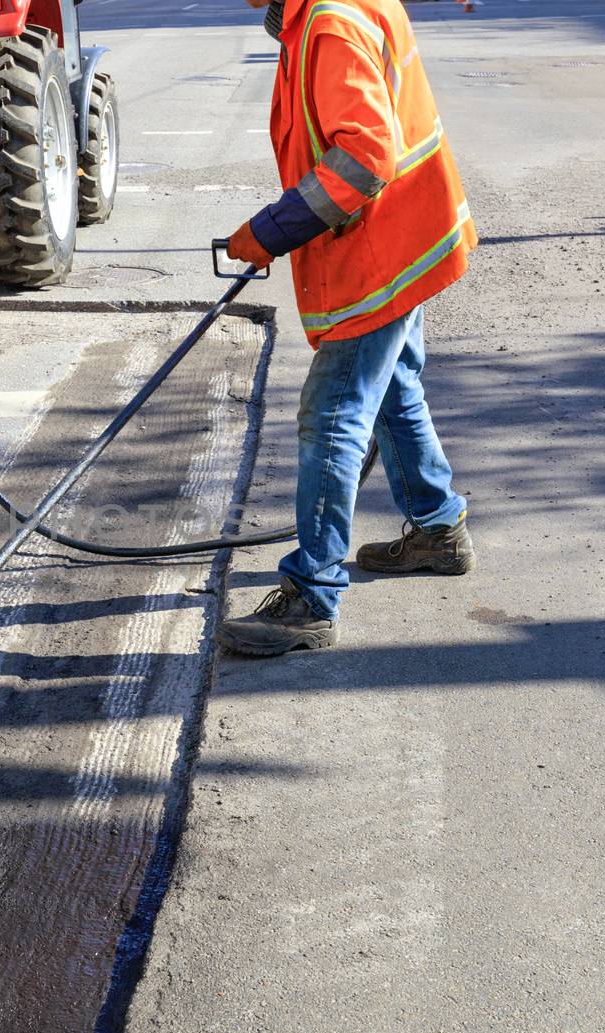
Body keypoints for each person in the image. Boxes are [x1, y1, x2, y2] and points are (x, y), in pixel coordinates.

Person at [215, 0, 478, 657]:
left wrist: (270, 231)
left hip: (379, 256)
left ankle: (312, 597)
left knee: (334, 411)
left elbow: (363, 158)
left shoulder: (329, 23)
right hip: (407, 236)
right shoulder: (326, 12)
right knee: (392, 390)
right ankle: (438, 529)